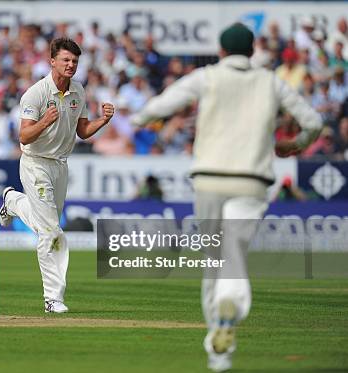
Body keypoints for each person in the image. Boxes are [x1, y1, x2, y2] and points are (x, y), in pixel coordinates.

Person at [131, 23, 322, 372]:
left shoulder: (206, 77)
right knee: (232, 255)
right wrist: (296, 145)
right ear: (252, 52)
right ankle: (229, 309)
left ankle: (218, 352)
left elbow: (158, 107)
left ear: (221, 51)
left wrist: (140, 119)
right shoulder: (270, 81)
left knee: (213, 260)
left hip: (209, 181)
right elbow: (313, 121)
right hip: (250, 181)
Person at [0, 38, 114, 313]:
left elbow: (83, 131)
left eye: (74, 61)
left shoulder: (78, 91)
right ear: (52, 61)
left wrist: (103, 121)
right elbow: (24, 135)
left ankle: (13, 202)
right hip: (35, 163)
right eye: (65, 60)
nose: (71, 65)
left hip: (60, 165)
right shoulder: (36, 93)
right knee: (51, 230)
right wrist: (44, 122)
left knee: (46, 224)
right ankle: (53, 298)